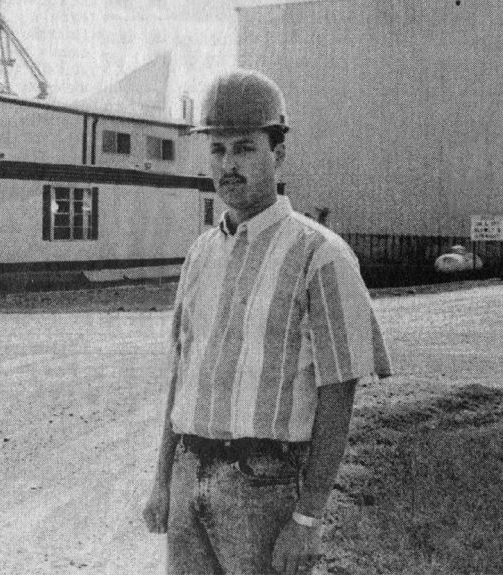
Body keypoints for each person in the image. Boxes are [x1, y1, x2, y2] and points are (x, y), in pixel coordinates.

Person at [142, 69, 392, 575]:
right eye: (217, 150)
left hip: (263, 484)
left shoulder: (321, 255)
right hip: (190, 469)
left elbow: (339, 391)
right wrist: (163, 479)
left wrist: (308, 515)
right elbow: (181, 372)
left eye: (245, 148)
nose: (228, 164)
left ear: (278, 154)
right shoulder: (200, 255)